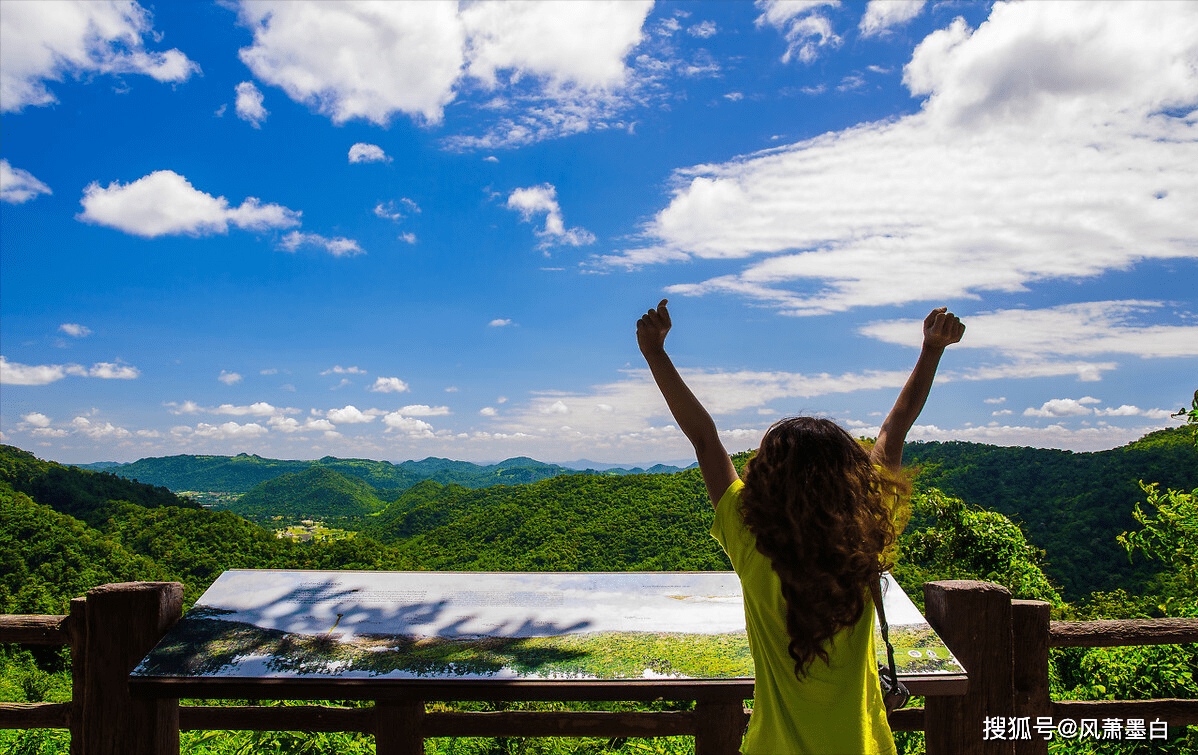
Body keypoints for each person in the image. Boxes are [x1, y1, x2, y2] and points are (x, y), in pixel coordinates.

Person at [636, 299, 965, 755]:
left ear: (768, 476)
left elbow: (704, 436)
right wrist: (931, 350)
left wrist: (655, 353)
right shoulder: (865, 528)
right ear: (851, 479)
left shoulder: (749, 535)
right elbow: (895, 429)